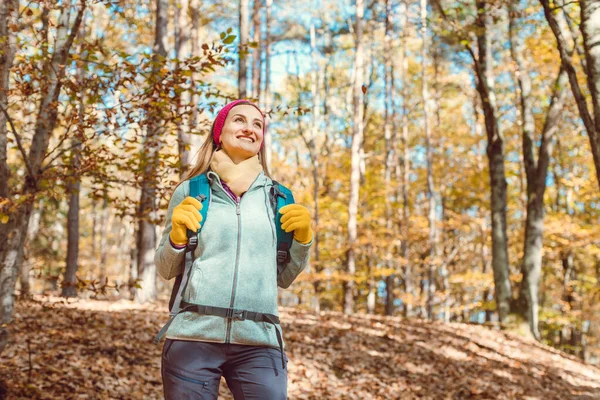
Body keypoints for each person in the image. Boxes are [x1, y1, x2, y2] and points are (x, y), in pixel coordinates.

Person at [154, 99, 313, 399]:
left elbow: (284, 277)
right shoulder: (191, 190)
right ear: (220, 132)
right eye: (239, 120)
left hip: (260, 342)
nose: (250, 129)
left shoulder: (279, 198)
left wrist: (303, 241)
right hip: (193, 336)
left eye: (258, 125)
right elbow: (165, 269)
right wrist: (177, 238)